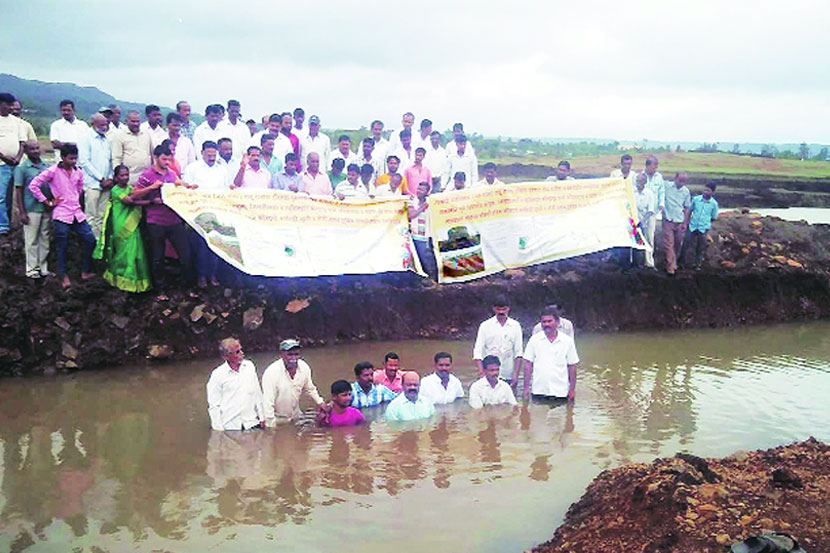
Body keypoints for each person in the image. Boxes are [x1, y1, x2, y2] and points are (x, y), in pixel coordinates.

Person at [28, 144, 97, 289]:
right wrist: (48, 201)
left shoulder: (78, 171)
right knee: (62, 245)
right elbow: (34, 185)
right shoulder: (53, 171)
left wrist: (76, 200)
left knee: (90, 239)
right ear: (63, 157)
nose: (73, 161)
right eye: (70, 158)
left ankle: (85, 270)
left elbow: (79, 189)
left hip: (76, 213)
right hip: (61, 213)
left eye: (75, 158)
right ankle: (63, 275)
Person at [135, 143, 195, 298]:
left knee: (186, 255)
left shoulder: (172, 174)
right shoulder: (147, 175)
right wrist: (151, 190)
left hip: (174, 220)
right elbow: (134, 195)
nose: (167, 162)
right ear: (156, 158)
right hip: (156, 221)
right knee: (157, 257)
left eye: (169, 159)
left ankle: (188, 288)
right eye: (164, 159)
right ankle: (160, 290)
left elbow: (181, 186)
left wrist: (188, 188)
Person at [93, 164, 155, 292]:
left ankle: (135, 282)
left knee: (136, 250)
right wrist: (151, 201)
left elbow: (137, 195)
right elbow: (129, 201)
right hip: (121, 225)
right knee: (124, 252)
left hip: (133, 224)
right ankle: (122, 280)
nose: (125, 177)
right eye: (122, 175)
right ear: (116, 177)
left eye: (127, 175)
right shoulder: (115, 190)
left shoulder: (130, 188)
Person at [261, 339, 326, 426]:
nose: (293, 358)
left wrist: (320, 402)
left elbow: (310, 388)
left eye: (296, 354)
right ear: (281, 355)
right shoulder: (271, 373)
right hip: (276, 417)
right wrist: (270, 426)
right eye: (290, 354)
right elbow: (268, 402)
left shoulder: (304, 367)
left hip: (296, 415)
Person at [206, 338, 265, 431]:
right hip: (230, 426)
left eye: (241, 349)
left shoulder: (249, 366)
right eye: (237, 352)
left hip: (252, 423)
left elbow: (257, 393)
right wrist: (219, 430)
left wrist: (262, 417)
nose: (242, 353)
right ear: (226, 357)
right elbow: (214, 406)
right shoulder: (217, 375)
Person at [522, 306, 579, 401]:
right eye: (544, 322)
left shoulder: (567, 341)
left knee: (562, 416)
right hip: (539, 391)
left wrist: (572, 389)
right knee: (535, 415)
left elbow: (572, 366)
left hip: (561, 392)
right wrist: (526, 388)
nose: (546, 324)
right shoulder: (534, 340)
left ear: (557, 322)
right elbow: (528, 364)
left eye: (549, 321)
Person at [13, 140, 50, 278]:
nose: (35, 151)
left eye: (37, 148)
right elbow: (19, 190)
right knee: (31, 240)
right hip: (31, 209)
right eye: (31, 149)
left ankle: (43, 267)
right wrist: (22, 212)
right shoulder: (22, 168)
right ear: (26, 152)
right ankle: (32, 269)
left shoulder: (46, 166)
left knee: (44, 239)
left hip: (45, 208)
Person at [473, 296, 524, 385]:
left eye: (504, 309)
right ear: (493, 309)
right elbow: (478, 352)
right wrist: (481, 372)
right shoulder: (485, 326)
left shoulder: (515, 326)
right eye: (498, 309)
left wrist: (515, 375)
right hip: (488, 375)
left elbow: (518, 353)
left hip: (508, 375)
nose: (501, 312)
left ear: (508, 308)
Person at [77, 113, 113, 238]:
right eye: (101, 124)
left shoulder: (107, 139)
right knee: (90, 216)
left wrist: (109, 178)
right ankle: (90, 246)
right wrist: (101, 178)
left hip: (106, 185)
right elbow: (84, 162)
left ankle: (99, 247)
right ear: (93, 124)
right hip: (92, 184)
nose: (104, 127)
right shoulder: (85, 138)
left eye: (106, 124)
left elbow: (110, 161)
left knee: (102, 217)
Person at [0, 92, 25, 233]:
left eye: (11, 105)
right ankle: (3, 225)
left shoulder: (17, 122)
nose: (11, 108)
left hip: (17, 164)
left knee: (22, 192)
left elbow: (22, 142)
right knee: (2, 196)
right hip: (2, 165)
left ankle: (22, 220)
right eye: (8, 104)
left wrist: (18, 157)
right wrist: (4, 157)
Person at [679, 181, 718, 270]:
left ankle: (697, 264)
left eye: (708, 191)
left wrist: (707, 226)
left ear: (712, 192)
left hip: (703, 228)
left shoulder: (714, 204)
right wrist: (685, 223)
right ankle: (681, 262)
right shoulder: (696, 199)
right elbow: (689, 211)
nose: (705, 192)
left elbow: (713, 217)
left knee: (701, 247)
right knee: (686, 244)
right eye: (705, 190)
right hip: (693, 226)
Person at [111, 110, 152, 184]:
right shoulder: (119, 135)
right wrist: (119, 178)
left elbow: (151, 154)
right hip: (129, 178)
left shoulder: (146, 134)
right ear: (126, 121)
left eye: (138, 121)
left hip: (146, 177)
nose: (136, 124)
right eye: (133, 121)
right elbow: (116, 158)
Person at [662, 171, 691, 276]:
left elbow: (687, 207)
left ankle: (673, 263)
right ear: (675, 178)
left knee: (678, 244)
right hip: (668, 220)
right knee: (669, 244)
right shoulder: (667, 186)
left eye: (684, 181)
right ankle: (671, 267)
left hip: (679, 220)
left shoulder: (685, 191)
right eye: (680, 180)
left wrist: (685, 222)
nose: (681, 183)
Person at [408, 181, 438, 280]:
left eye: (422, 190)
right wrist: (422, 208)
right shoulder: (412, 201)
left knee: (427, 259)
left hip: (427, 235)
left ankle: (430, 279)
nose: (419, 191)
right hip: (414, 235)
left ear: (427, 192)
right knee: (417, 259)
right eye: (418, 189)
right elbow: (411, 215)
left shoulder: (431, 202)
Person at [642, 156, 665, 267]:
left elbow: (662, 192)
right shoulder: (640, 177)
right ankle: (636, 261)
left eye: (656, 166)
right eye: (653, 166)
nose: (655, 169)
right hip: (640, 212)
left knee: (650, 236)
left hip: (652, 212)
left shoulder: (658, 177)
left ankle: (649, 262)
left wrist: (661, 203)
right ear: (647, 166)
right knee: (638, 236)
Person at [632, 172, 656, 268]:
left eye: (641, 181)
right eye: (637, 181)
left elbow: (650, 211)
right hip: (633, 220)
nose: (639, 183)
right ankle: (634, 263)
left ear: (645, 182)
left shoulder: (649, 194)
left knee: (648, 240)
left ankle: (648, 263)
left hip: (645, 220)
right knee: (634, 242)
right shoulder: (632, 192)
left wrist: (641, 222)